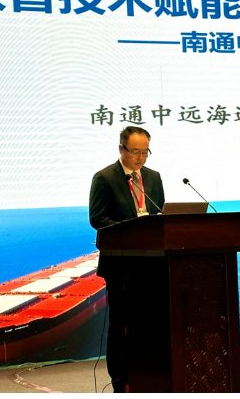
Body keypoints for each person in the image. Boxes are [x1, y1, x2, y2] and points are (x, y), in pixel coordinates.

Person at [89, 126, 165, 393]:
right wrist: (134, 228)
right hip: (121, 266)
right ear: (121, 149)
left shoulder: (153, 177)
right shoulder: (104, 178)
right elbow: (97, 219)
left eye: (145, 152)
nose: (140, 158)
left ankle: (150, 378)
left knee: (151, 323)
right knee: (120, 325)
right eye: (135, 152)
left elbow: (160, 215)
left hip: (152, 265)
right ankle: (121, 384)